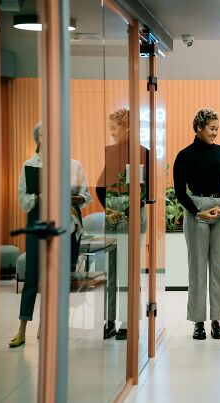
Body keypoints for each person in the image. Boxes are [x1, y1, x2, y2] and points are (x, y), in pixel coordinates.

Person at [9, 122, 92, 348]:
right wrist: (39, 198)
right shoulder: (29, 165)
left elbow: (87, 197)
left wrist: (71, 198)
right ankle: (22, 328)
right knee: (33, 277)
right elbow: (22, 199)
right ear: (39, 138)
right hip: (38, 223)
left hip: (66, 224)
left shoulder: (73, 166)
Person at [173, 108, 220, 340]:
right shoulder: (184, 155)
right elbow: (180, 191)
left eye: (217, 129)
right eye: (212, 128)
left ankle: (217, 320)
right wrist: (198, 213)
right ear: (199, 127)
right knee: (198, 268)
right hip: (196, 211)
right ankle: (198, 322)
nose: (215, 133)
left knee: (219, 268)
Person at [96, 108, 149, 340]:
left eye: (114, 129)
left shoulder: (141, 153)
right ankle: (109, 321)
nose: (111, 133)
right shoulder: (111, 153)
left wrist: (122, 209)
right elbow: (100, 185)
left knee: (128, 272)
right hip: (113, 217)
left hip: (132, 218)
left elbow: (143, 192)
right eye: (110, 129)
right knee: (111, 271)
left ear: (127, 127)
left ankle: (128, 322)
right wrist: (109, 210)